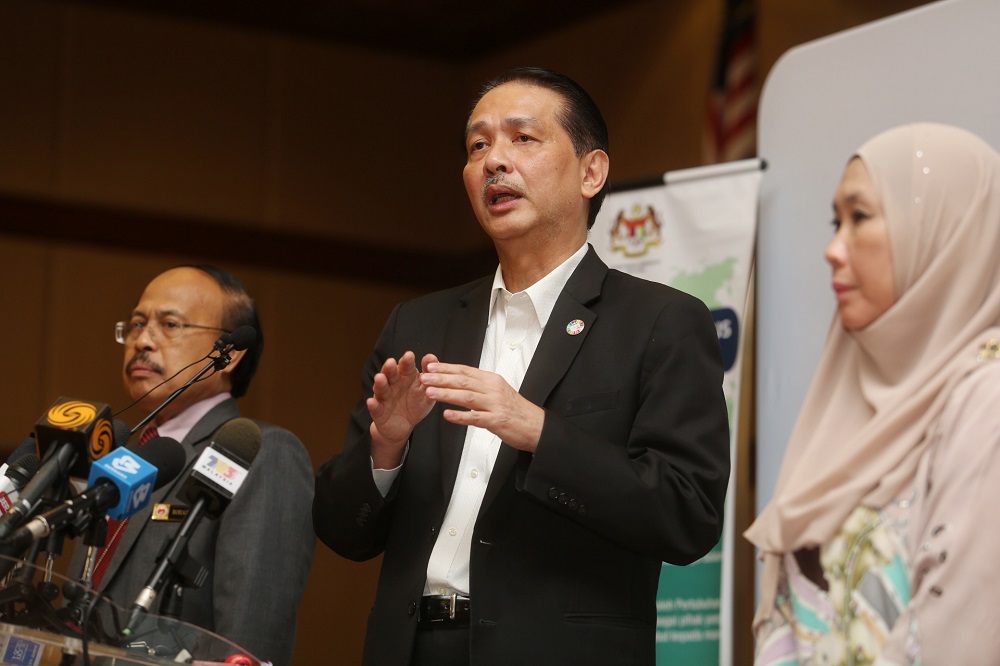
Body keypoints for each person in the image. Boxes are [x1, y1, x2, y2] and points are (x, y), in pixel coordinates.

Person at [313, 67, 730, 665]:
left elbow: (688, 515)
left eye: (523, 138)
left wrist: (538, 431)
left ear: (591, 172)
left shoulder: (660, 321)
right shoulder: (419, 326)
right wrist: (386, 448)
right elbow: (341, 530)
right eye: (477, 146)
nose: (494, 161)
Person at [745, 123, 1000, 665]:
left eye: (859, 217)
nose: (832, 250)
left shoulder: (987, 401)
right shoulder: (847, 394)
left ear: (942, 233)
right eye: (835, 222)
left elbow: (961, 632)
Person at [78, 265, 315, 666]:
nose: (143, 340)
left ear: (229, 354)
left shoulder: (262, 454)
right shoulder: (124, 456)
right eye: (136, 324)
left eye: (170, 324)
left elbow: (249, 643)